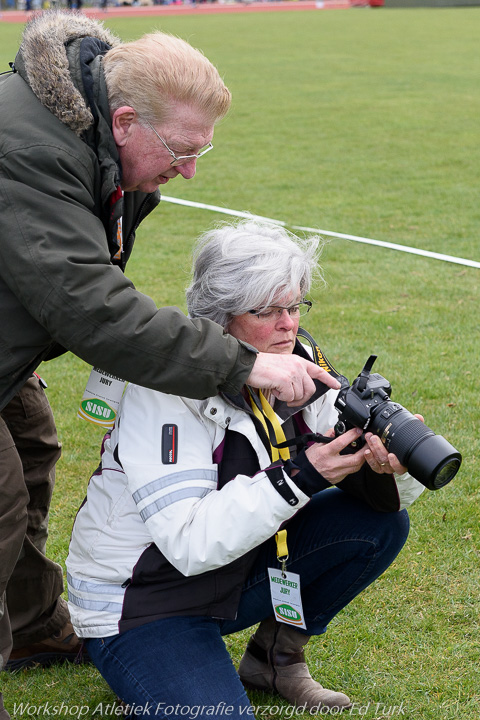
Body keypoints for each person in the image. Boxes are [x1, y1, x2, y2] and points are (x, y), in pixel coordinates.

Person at [0, 10, 338, 706]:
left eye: (201, 153)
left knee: (31, 455)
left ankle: (34, 628)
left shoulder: (87, 131)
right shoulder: (28, 150)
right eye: (181, 149)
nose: (188, 170)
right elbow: (91, 304)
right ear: (124, 122)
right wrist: (245, 366)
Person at [66, 220, 425, 717]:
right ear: (220, 317)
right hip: (142, 600)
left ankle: (274, 660)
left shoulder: (298, 361)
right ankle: (156, 672)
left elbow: (360, 485)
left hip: (232, 572)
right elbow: (189, 544)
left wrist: (388, 469)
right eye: (266, 311)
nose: (288, 325)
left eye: (295, 306)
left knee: (378, 522)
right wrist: (302, 475)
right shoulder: (166, 389)